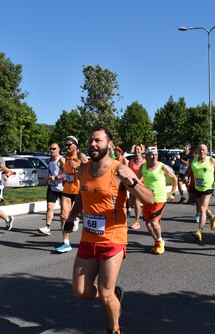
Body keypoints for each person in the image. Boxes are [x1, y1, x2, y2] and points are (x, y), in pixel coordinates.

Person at [65, 126, 154, 334]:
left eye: (98, 141)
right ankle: (114, 294)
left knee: (104, 293)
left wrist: (131, 180)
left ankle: (114, 328)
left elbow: (148, 199)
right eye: (91, 141)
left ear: (109, 144)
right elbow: (81, 196)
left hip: (114, 238)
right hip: (89, 239)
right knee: (80, 291)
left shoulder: (119, 170)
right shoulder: (83, 169)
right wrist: (71, 215)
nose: (93, 144)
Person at [136, 147, 177, 254]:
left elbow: (174, 178)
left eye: (156, 154)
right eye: (151, 155)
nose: (154, 157)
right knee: (147, 223)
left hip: (160, 198)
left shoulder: (162, 166)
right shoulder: (143, 167)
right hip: (147, 199)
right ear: (146, 156)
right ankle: (157, 241)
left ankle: (159, 241)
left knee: (153, 222)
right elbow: (136, 180)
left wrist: (171, 193)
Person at [55, 136, 89, 253]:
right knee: (63, 215)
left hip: (80, 191)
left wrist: (78, 166)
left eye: (69, 145)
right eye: (65, 145)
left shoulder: (81, 156)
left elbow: (89, 170)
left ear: (75, 145)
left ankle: (87, 241)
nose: (67, 147)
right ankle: (66, 243)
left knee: (85, 217)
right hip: (67, 190)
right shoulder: (66, 157)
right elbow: (67, 173)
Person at [186, 144, 215, 243]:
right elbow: (189, 170)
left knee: (202, 208)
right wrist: (186, 177)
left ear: (207, 151)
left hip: (208, 187)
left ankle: (199, 231)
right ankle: (212, 217)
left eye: (204, 150)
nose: (202, 152)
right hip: (198, 187)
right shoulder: (194, 160)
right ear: (197, 151)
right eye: (200, 150)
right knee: (203, 207)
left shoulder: (211, 160)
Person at [38, 143, 64, 236]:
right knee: (49, 207)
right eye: (50, 149)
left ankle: (69, 223)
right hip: (52, 187)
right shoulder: (50, 160)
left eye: (54, 149)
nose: (52, 150)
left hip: (62, 188)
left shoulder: (61, 160)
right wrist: (49, 180)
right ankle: (47, 227)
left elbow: (68, 173)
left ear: (59, 149)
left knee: (64, 210)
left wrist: (56, 178)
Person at [127, 144, 145, 230]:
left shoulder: (145, 161)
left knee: (137, 203)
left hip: (142, 185)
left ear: (141, 151)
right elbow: (128, 172)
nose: (137, 151)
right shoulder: (131, 161)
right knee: (131, 204)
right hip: (133, 184)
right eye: (136, 150)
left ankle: (136, 221)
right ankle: (143, 208)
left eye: (139, 149)